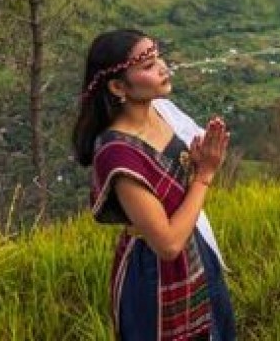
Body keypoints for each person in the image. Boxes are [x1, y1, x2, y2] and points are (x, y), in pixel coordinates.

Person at [73, 29, 236, 341]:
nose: (162, 67)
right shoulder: (118, 154)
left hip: (196, 250)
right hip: (153, 272)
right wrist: (204, 175)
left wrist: (200, 163)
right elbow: (168, 244)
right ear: (118, 86)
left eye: (157, 56)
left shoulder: (160, 111)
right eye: (147, 65)